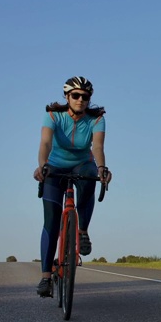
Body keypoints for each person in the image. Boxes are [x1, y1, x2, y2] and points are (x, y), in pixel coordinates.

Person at [33, 76, 112, 297]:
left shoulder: (97, 119)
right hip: (55, 166)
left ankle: (83, 231)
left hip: (82, 165)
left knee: (89, 176)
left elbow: (97, 146)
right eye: (75, 95)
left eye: (85, 97)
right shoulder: (53, 115)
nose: (80, 100)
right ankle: (46, 277)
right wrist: (42, 166)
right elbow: (46, 143)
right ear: (67, 97)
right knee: (51, 219)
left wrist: (102, 168)